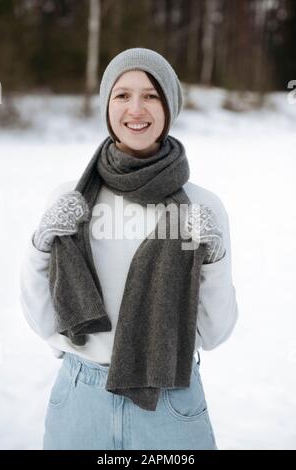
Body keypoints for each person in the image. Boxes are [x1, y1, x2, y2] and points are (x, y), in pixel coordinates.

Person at [19, 48, 238, 450]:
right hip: (81, 397)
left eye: (151, 95)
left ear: (169, 106)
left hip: (170, 402)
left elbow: (213, 332)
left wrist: (215, 258)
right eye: (122, 95)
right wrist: (39, 246)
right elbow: (44, 321)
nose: (136, 108)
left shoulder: (201, 207)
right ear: (107, 106)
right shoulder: (71, 199)